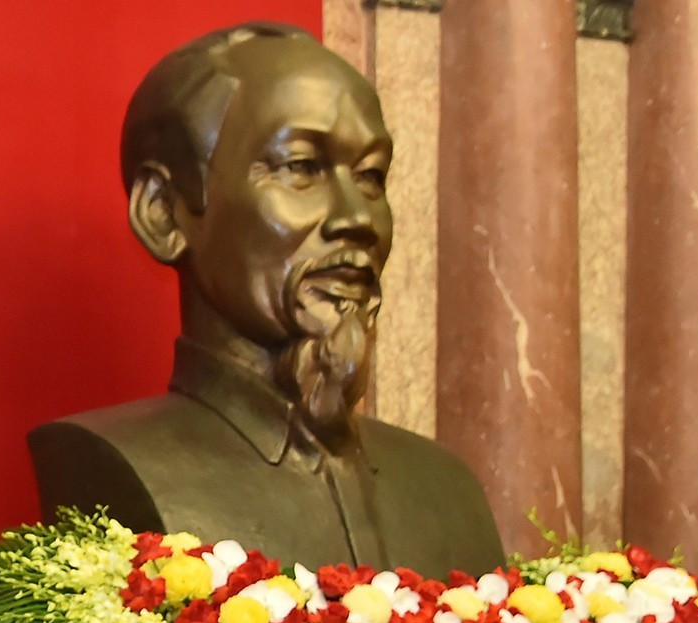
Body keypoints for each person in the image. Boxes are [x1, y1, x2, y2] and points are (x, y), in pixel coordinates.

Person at [29, 23, 503, 578]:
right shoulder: (109, 461)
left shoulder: (448, 487)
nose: (358, 218)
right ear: (163, 213)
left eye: (371, 176)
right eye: (300, 167)